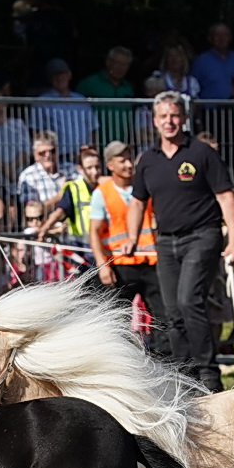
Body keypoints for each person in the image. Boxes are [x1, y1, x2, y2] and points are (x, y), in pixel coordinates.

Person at [128, 91, 234, 392]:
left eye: (175, 115)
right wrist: (131, 237)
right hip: (165, 242)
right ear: (154, 121)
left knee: (190, 301)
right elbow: (138, 202)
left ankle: (208, 373)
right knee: (171, 311)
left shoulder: (202, 153)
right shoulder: (147, 161)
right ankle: (184, 375)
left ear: (185, 118)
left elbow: (226, 198)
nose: (170, 121)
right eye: (163, 116)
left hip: (202, 236)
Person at [88, 141, 164, 351]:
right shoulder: (101, 193)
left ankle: (168, 361)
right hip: (120, 265)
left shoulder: (146, 188)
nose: (129, 164)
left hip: (150, 262)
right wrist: (103, 265)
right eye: (122, 160)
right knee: (115, 319)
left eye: (130, 159)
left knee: (163, 317)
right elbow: (93, 232)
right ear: (110, 165)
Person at [32, 60, 97, 154]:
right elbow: (36, 133)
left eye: (63, 74)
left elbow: (92, 129)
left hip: (82, 157)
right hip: (56, 157)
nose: (60, 78)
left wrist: (92, 151)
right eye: (55, 75)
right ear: (50, 79)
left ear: (69, 75)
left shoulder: (81, 100)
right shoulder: (41, 102)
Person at [77, 47, 136, 145]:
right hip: (96, 144)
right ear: (108, 62)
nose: (120, 68)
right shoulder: (88, 84)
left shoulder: (128, 88)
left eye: (124, 64)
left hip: (121, 146)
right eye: (117, 63)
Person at [16, 131, 76, 210]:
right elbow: (31, 210)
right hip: (46, 221)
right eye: (42, 153)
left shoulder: (71, 169)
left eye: (52, 151)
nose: (48, 155)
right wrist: (60, 195)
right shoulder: (28, 175)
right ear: (35, 155)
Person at [191, 23, 234, 105]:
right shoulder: (201, 61)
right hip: (209, 111)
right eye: (217, 35)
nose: (221, 38)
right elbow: (193, 88)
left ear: (230, 38)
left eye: (225, 35)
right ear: (210, 38)